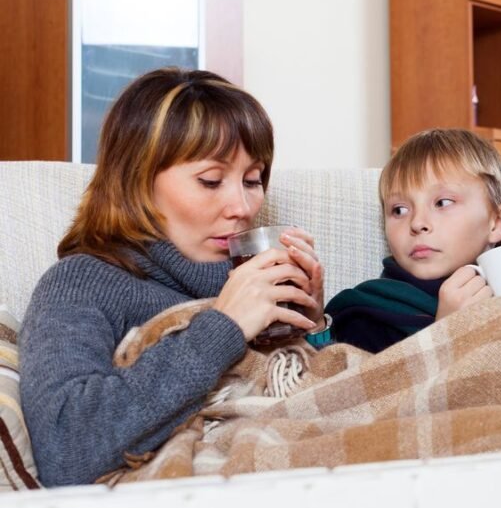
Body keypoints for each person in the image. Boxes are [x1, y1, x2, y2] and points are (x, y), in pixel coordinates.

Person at [18, 68, 330, 486]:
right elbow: (66, 446)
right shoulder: (81, 283)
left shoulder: (259, 282)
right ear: (138, 181)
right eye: (211, 180)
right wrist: (225, 326)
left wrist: (313, 328)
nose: (242, 206)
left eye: (252, 180)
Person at [325, 128, 501, 352]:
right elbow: (373, 396)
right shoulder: (364, 315)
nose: (418, 223)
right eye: (399, 210)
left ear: (497, 222)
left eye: (442, 203)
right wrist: (443, 337)